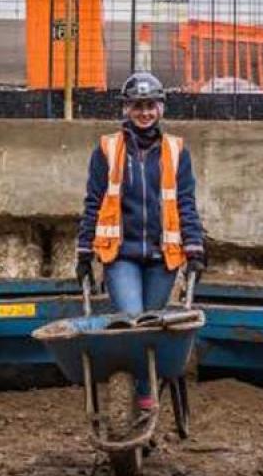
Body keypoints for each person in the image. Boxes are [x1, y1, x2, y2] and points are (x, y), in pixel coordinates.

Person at [76, 72, 206, 418]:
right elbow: (94, 201)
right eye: (137, 106)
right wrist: (84, 250)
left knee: (151, 329)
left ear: (160, 108)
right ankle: (137, 400)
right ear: (126, 109)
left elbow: (185, 203)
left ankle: (145, 398)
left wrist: (194, 249)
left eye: (150, 106)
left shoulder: (177, 151)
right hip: (121, 255)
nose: (144, 113)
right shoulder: (108, 149)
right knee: (132, 325)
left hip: (164, 257)